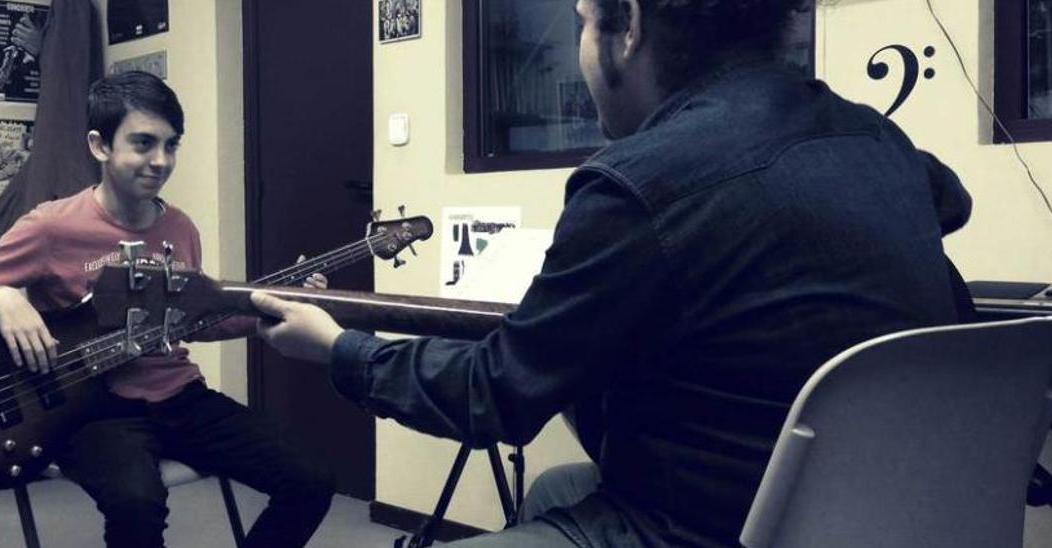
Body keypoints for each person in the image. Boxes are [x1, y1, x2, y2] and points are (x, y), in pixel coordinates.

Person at [251, 1, 971, 547]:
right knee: (562, 484)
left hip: (711, 529)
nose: (581, 53)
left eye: (582, 24)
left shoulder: (637, 183)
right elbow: (951, 202)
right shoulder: (879, 140)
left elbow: (493, 397)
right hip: (882, 514)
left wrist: (337, 347)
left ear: (625, 26)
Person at [0, 71, 334, 548]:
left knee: (310, 480)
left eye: (171, 145)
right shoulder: (51, 226)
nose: (160, 161)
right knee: (137, 506)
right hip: (94, 412)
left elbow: (196, 322)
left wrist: (277, 309)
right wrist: (3, 297)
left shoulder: (180, 228)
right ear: (100, 146)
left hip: (180, 397)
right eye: (143, 143)